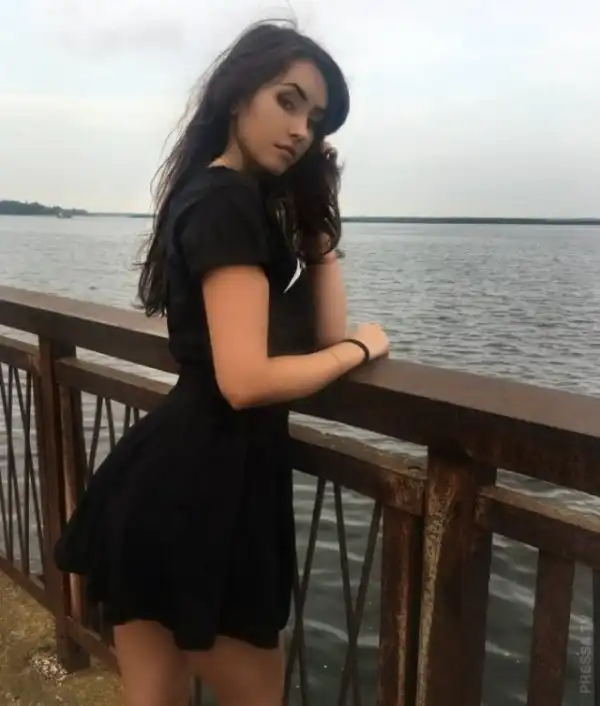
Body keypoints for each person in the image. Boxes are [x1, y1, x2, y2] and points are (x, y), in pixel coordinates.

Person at [54, 19, 389, 706]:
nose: (300, 129)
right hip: (207, 489)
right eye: (287, 101)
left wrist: (319, 236)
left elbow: (319, 331)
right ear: (238, 94)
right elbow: (246, 380)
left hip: (175, 480)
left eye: (315, 119)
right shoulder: (227, 201)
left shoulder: (220, 194)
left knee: (155, 697)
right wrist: (360, 350)